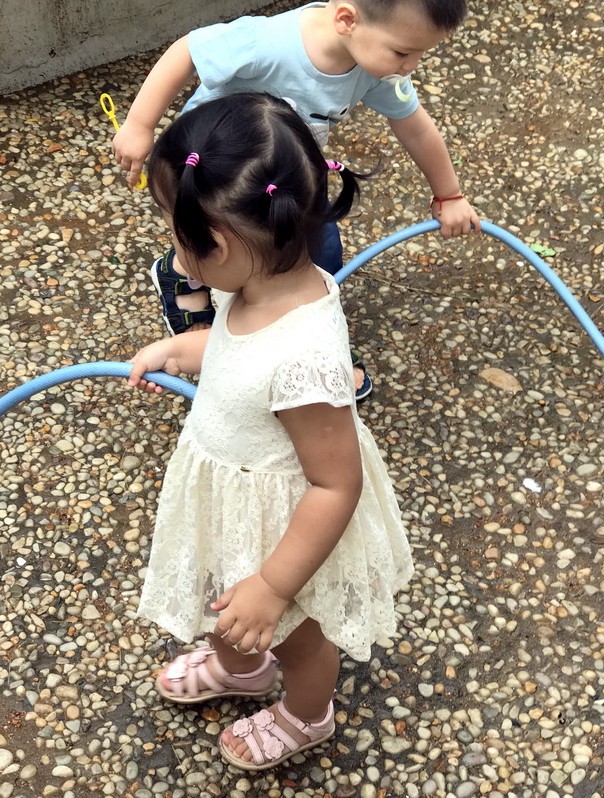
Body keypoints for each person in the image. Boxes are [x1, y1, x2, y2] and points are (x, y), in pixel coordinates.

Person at [127, 92, 413, 771]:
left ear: (220, 243)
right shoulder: (253, 281)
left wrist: (278, 585)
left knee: (297, 635)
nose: (173, 248)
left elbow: (335, 483)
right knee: (223, 599)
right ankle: (242, 671)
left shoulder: (306, 357)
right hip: (234, 495)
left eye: (174, 231)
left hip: (288, 524)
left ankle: (305, 714)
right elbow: (232, 350)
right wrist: (179, 351)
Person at [113, 0, 482, 399]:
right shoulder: (267, 43)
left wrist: (449, 194)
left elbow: (415, 129)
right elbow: (188, 50)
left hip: (282, 176)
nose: (410, 67)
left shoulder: (374, 67)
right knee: (223, 247)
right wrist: (140, 125)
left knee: (317, 253)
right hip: (213, 173)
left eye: (418, 55)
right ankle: (183, 276)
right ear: (347, 20)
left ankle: (307, 349)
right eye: (402, 53)